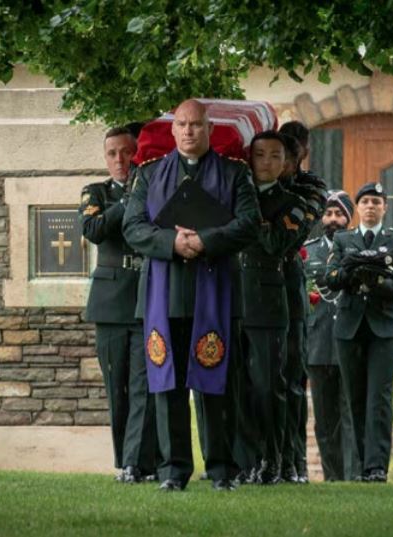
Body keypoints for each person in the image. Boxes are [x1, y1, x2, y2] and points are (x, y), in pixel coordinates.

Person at [123, 99, 261, 492]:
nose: (188, 131)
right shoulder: (149, 176)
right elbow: (133, 227)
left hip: (215, 292)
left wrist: (205, 241)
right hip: (164, 296)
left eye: (196, 125)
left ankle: (221, 471)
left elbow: (249, 223)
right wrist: (172, 242)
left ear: (209, 128)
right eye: (182, 125)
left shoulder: (234, 174)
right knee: (167, 386)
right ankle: (172, 471)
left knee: (218, 386)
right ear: (172, 130)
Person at [79, 126, 157, 484]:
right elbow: (93, 229)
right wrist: (127, 203)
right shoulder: (96, 192)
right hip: (110, 302)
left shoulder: (153, 189)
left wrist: (138, 196)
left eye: (127, 152)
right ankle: (123, 459)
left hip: (146, 297)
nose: (120, 160)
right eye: (112, 153)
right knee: (118, 386)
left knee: (144, 384)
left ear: (137, 154)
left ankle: (136, 463)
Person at [235, 131, 310, 484]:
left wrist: (248, 215)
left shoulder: (293, 203)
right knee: (239, 386)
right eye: (259, 155)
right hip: (233, 298)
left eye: (274, 156)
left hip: (267, 300)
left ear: (286, 164)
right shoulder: (234, 195)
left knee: (269, 386)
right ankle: (244, 460)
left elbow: (275, 242)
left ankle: (272, 460)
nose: (265, 163)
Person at [326, 182, 393, 482]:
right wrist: (352, 271)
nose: (371, 206)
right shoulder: (343, 239)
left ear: (385, 208)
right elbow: (331, 278)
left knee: (379, 397)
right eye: (365, 202)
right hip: (349, 327)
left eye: (377, 201)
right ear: (358, 208)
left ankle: (376, 468)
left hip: (385, 328)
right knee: (354, 398)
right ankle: (358, 467)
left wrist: (377, 283)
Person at [278, 127, 327, 483]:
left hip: (289, 285)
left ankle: (294, 462)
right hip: (255, 287)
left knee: (293, 377)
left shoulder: (311, 187)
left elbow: (291, 231)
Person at [304, 190, 360, 481]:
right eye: (329, 213)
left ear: (349, 218)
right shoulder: (308, 250)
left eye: (339, 214)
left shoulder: (358, 249)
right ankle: (333, 478)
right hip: (317, 344)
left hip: (350, 342)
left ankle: (353, 477)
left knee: (350, 416)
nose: (333, 219)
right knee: (324, 421)